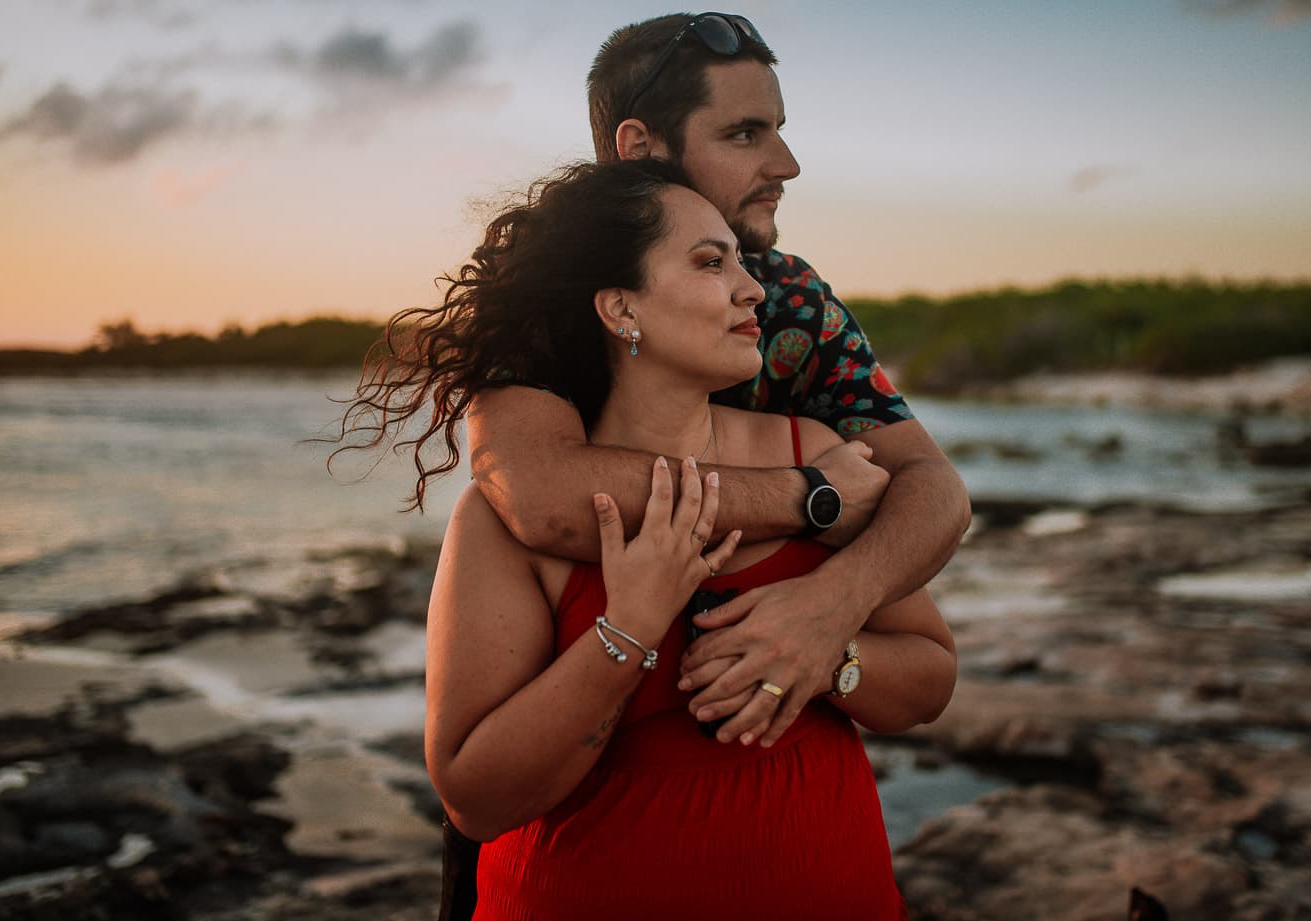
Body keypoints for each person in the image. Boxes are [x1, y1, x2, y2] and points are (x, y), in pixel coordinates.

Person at [343, 158, 957, 917]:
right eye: (709, 261)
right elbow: (475, 798)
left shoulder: (814, 458)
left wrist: (828, 649)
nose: (753, 288)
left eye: (738, 258)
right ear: (619, 308)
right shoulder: (508, 520)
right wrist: (628, 630)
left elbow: (930, 680)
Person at [464, 13, 970, 750]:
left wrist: (832, 608)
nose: (786, 163)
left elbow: (935, 489)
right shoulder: (546, 292)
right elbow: (542, 495)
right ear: (641, 147)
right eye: (745, 134)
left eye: (779, 128)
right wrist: (810, 496)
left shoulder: (785, 297)